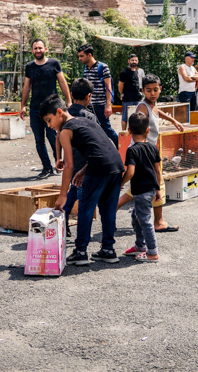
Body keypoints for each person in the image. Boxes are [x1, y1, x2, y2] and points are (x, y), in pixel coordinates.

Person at [44, 93, 124, 266]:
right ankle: (108, 250)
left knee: (86, 209)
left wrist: (63, 195)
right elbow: (105, 146)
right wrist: (84, 170)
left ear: (59, 112)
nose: (49, 126)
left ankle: (80, 252)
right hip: (116, 165)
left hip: (99, 169)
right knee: (108, 210)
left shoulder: (65, 131)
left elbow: (69, 165)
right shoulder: (87, 120)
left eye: (49, 120)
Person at [120, 73, 184, 233]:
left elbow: (157, 112)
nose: (153, 93)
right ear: (143, 90)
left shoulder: (152, 104)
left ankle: (111, 209)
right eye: (148, 90)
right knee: (157, 182)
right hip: (142, 152)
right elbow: (137, 127)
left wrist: (173, 120)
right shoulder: (143, 106)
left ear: (160, 89)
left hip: (147, 150)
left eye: (156, 90)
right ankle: (159, 221)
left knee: (140, 187)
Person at [20, 38, 71, 179]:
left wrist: (69, 101)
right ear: (32, 50)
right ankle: (47, 167)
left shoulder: (54, 63)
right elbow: (26, 87)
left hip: (52, 109)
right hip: (35, 108)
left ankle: (59, 163)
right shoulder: (30, 67)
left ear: (45, 49)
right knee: (38, 140)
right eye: (35, 48)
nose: (38, 50)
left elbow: (62, 82)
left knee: (53, 136)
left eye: (40, 48)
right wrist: (22, 106)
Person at [121, 112, 161, 262]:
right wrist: (158, 190)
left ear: (129, 131)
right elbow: (157, 170)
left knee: (144, 220)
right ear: (148, 130)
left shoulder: (132, 150)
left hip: (141, 192)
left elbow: (130, 172)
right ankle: (140, 246)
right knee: (136, 216)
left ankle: (152, 252)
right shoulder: (153, 148)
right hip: (150, 190)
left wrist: (121, 183)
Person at [60, 78, 98, 235]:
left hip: (71, 160)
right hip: (85, 163)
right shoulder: (89, 116)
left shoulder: (65, 114)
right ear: (88, 96)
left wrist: (59, 157)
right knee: (83, 197)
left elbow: (58, 136)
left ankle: (63, 221)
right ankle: (82, 236)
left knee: (73, 191)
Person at [77, 43, 120, 146]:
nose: (79, 58)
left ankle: (123, 151)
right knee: (93, 131)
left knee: (107, 130)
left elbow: (108, 87)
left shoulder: (102, 67)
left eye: (81, 56)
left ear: (89, 55)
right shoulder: (86, 69)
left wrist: (108, 105)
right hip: (89, 106)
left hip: (100, 106)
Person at [118, 54, 145, 131]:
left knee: (136, 117)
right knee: (125, 117)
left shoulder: (137, 71)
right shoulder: (125, 72)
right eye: (132, 60)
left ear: (138, 61)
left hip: (136, 98)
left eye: (135, 60)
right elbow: (120, 85)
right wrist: (122, 94)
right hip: (127, 98)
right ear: (128, 61)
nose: (134, 62)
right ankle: (123, 132)